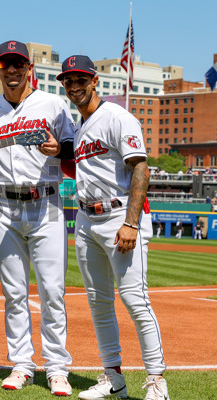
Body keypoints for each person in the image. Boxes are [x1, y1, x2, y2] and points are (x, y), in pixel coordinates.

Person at [58, 55, 168, 400]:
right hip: (87, 220)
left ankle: (156, 382)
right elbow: (87, 172)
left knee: (135, 300)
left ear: (95, 82)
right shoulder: (80, 127)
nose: (74, 86)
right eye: (68, 80)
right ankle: (113, 379)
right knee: (99, 302)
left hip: (120, 216)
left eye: (80, 79)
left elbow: (140, 168)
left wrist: (131, 223)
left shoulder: (118, 117)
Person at [0, 40, 74, 396]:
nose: (13, 70)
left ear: (29, 67)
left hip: (45, 204)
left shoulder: (52, 103)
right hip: (4, 206)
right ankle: (22, 364)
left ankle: (56, 367)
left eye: (19, 64)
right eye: (7, 65)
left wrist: (60, 149)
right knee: (14, 293)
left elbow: (72, 147)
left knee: (52, 291)